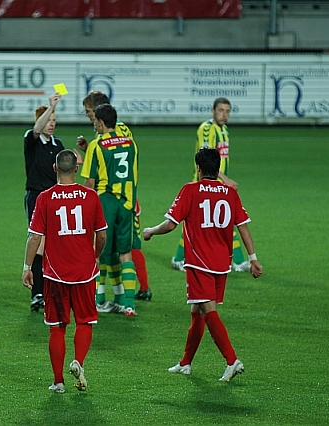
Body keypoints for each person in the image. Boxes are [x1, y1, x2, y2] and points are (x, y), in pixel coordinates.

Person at [143, 148, 263, 381]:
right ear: (218, 169)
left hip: (199, 262)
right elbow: (243, 226)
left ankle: (232, 360)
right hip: (222, 264)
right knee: (196, 312)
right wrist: (253, 258)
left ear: (198, 168)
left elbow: (170, 225)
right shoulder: (229, 193)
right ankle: (185, 362)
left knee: (209, 312)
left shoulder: (190, 190)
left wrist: (150, 232)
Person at [22, 149, 107, 394]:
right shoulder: (91, 197)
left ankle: (58, 381)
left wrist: (28, 267)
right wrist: (96, 256)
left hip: (54, 274)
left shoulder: (45, 198)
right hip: (85, 272)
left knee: (57, 327)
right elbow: (101, 235)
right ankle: (78, 361)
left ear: (55, 169)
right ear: (77, 170)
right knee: (85, 321)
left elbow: (34, 236)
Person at [77, 91, 151, 309]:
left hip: (106, 200)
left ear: (99, 117)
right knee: (125, 250)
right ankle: (126, 302)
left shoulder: (98, 144)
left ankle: (98, 299)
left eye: (90, 113)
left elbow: (91, 180)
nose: (88, 117)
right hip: (127, 199)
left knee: (100, 251)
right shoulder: (129, 139)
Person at [171, 97, 250, 273]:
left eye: (228, 111)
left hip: (218, 182)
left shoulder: (224, 130)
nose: (224, 115)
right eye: (221, 110)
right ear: (213, 111)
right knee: (200, 221)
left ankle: (237, 260)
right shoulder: (207, 129)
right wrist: (225, 179)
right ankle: (178, 258)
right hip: (203, 183)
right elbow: (205, 157)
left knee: (224, 218)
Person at [23, 92, 65, 311]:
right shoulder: (31, 140)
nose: (52, 124)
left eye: (54, 120)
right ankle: (37, 293)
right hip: (37, 197)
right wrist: (51, 107)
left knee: (54, 245)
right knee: (38, 242)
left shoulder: (58, 145)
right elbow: (36, 130)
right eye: (49, 120)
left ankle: (51, 290)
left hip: (55, 199)